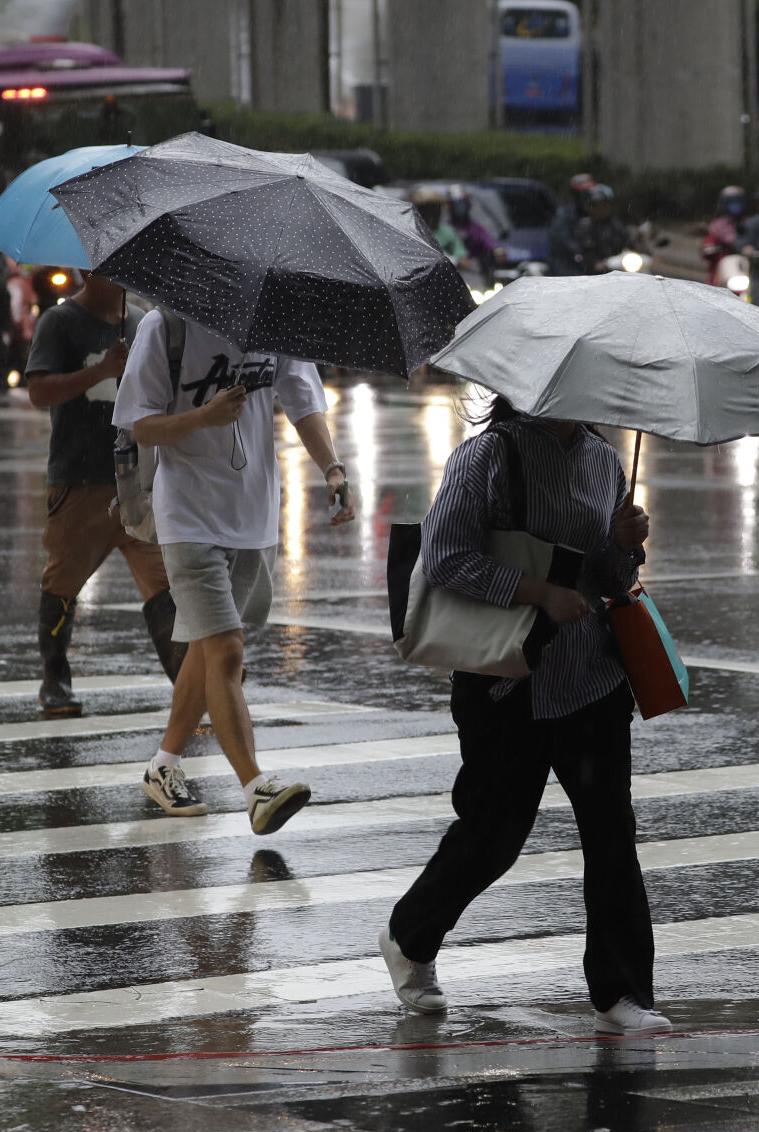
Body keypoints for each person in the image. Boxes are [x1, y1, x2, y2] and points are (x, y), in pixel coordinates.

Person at [379, 399, 670, 1035]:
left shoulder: (603, 460)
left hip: (591, 678)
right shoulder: (486, 455)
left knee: (611, 835)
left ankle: (622, 994)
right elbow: (447, 556)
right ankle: (410, 934)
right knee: (495, 834)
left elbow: (615, 578)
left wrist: (626, 547)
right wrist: (540, 593)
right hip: (506, 684)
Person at [113, 311, 355, 823]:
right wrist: (203, 416)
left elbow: (303, 400)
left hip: (253, 516)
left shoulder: (275, 323)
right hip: (188, 515)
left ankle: (163, 766)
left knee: (208, 650)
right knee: (227, 650)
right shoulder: (165, 327)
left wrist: (332, 468)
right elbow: (139, 422)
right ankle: (256, 787)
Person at [25, 272, 186, 718]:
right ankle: (54, 680)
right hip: (80, 482)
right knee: (62, 583)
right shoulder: (60, 322)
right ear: (87, 271)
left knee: (165, 583)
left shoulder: (141, 322)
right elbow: (38, 390)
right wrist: (101, 370)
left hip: (137, 480)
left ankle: (190, 684)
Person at [574, 184, 631, 275]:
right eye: (596, 205)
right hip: (592, 272)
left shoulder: (617, 225)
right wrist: (595, 263)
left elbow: (628, 243)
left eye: (604, 205)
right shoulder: (585, 226)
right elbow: (583, 249)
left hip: (618, 268)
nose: (601, 208)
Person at [547, 172, 596, 276]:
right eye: (583, 193)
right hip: (568, 270)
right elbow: (562, 240)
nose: (587, 197)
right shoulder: (564, 215)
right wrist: (581, 253)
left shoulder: (595, 212)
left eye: (589, 193)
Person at [449, 186, 500, 282]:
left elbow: (487, 241)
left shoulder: (475, 227)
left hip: (474, 273)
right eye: (457, 204)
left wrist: (497, 250)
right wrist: (457, 260)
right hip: (453, 273)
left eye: (462, 202)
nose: (460, 206)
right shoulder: (447, 229)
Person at [412, 187, 469, 268]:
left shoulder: (448, 232)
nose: (433, 212)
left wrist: (450, 259)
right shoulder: (410, 232)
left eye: (436, 207)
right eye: (426, 208)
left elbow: (465, 262)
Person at [701, 185, 748, 285]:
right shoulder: (717, 225)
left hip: (744, 266)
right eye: (732, 202)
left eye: (738, 201)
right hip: (722, 268)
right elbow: (708, 246)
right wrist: (711, 248)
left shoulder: (748, 223)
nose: (736, 205)